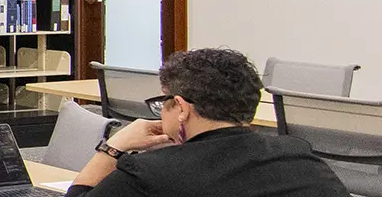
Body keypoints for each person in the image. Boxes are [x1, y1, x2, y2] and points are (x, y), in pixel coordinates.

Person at [65, 48, 346, 197]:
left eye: (164, 103)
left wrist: (115, 146)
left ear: (183, 108)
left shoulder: (150, 172)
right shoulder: (301, 159)